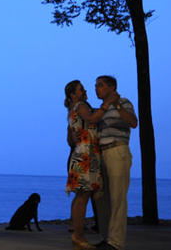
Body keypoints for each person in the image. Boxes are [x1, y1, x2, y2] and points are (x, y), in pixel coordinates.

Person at [64, 80, 112, 250]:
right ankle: (78, 236)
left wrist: (75, 139)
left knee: (81, 196)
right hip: (86, 154)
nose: (84, 90)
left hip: (81, 152)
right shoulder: (81, 105)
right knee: (83, 196)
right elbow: (92, 118)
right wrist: (107, 105)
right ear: (73, 94)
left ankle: (78, 235)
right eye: (80, 89)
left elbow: (69, 139)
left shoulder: (71, 110)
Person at [93, 75, 137, 250]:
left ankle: (116, 242)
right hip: (103, 153)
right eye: (96, 86)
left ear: (112, 87)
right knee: (103, 198)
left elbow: (133, 122)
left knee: (118, 197)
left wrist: (116, 104)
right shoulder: (101, 109)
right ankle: (107, 237)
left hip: (117, 151)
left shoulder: (124, 103)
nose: (97, 88)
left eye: (101, 85)